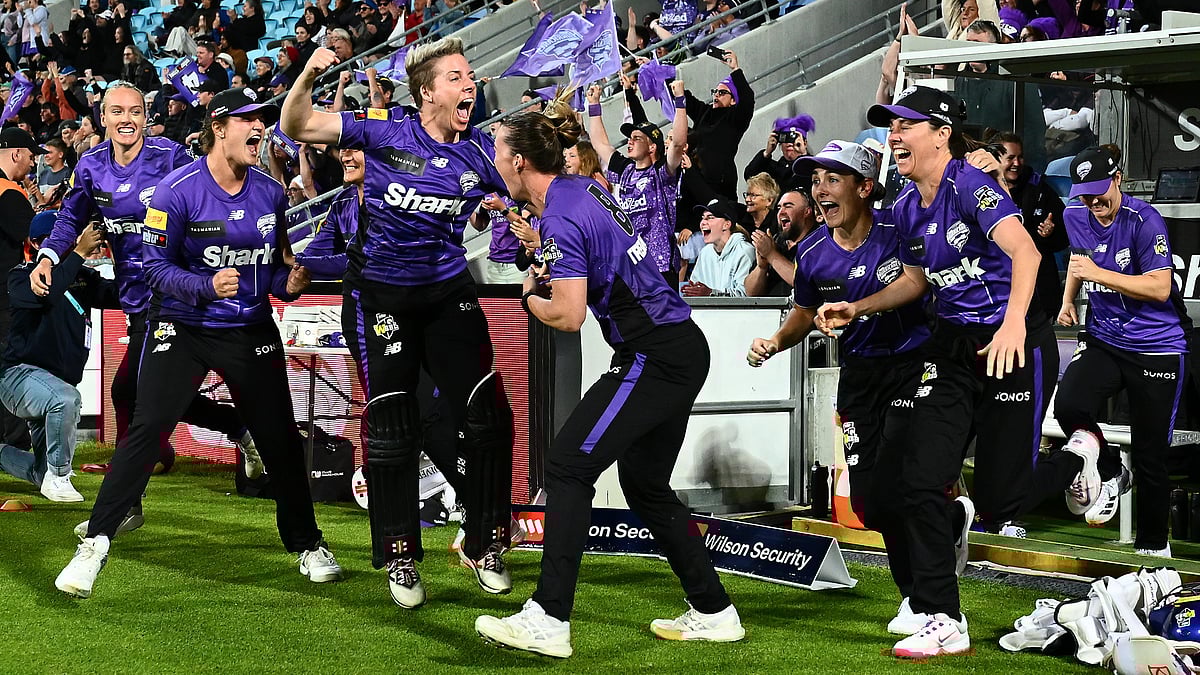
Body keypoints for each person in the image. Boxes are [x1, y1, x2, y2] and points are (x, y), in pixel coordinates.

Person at [475, 100, 744, 660]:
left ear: (521, 161)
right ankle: (715, 611)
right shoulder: (581, 189)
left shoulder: (560, 214)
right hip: (675, 346)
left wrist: (530, 295)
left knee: (569, 465)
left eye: (498, 150)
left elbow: (569, 316)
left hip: (653, 353)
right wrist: (543, 250)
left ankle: (549, 617)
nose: (492, 159)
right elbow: (600, 248)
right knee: (644, 486)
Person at [55, 87, 343, 599]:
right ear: (218, 126)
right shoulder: (174, 192)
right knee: (146, 426)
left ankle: (307, 543)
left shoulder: (271, 193)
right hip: (181, 327)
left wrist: (289, 284)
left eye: (262, 121)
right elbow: (155, 268)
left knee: (278, 438)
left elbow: (273, 269)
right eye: (246, 121)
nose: (258, 130)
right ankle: (95, 544)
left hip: (249, 330)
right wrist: (204, 286)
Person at [281, 39, 517, 608]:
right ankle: (401, 556)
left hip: (447, 294)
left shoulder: (481, 153)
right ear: (427, 91)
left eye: (470, 77)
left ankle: (486, 543)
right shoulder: (385, 134)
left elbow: (530, 195)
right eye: (457, 78)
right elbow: (297, 122)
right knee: (393, 422)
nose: (470, 85)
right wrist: (309, 74)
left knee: (487, 414)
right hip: (380, 297)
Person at [817, 86, 1050, 658]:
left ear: (941, 134)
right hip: (950, 349)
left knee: (1000, 503)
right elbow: (919, 279)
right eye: (890, 126)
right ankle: (942, 614)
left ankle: (1084, 458)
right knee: (913, 479)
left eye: (906, 125)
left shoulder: (970, 186)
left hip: (1012, 343)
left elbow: (1027, 254)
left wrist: (1014, 323)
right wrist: (860, 306)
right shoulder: (906, 206)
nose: (894, 134)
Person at [31, 83, 261, 513]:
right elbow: (69, 217)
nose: (126, 119)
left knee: (135, 390)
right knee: (146, 392)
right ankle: (236, 432)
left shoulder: (171, 157)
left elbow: (208, 195)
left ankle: (124, 501)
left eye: (135, 111)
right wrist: (47, 256)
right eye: (116, 111)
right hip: (136, 298)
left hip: (176, 293)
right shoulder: (91, 166)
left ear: (145, 116)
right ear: (102, 118)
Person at [748, 140, 933, 630]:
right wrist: (775, 341)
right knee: (871, 501)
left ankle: (920, 599)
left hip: (913, 365)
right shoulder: (810, 253)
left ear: (865, 186)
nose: (820, 190)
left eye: (833, 179)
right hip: (860, 375)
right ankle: (929, 562)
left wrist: (861, 307)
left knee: (899, 478)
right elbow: (805, 313)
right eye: (815, 181)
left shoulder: (900, 229)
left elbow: (916, 283)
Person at [1053, 145, 1190, 556]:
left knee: (1151, 453)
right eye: (1085, 195)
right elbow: (1080, 258)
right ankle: (1111, 470)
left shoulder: (1144, 221)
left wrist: (1100, 275)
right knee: (1069, 406)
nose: (1093, 203)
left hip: (1157, 346)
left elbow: (1160, 287)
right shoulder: (1074, 213)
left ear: (1119, 178)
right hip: (1105, 337)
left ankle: (1153, 549)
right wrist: (1067, 299)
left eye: (1100, 192)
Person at [0, 214, 116, 501]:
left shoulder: (83, 277)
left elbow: (119, 295)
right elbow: (49, 294)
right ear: (37, 244)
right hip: (19, 376)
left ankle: (45, 472)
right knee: (65, 400)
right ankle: (60, 476)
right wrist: (77, 253)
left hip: (57, 381)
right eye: (56, 241)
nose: (65, 245)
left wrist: (122, 250)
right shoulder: (21, 275)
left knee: (41, 471)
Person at [586, 80, 688, 287]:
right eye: (629, 138)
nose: (629, 142)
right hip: (630, 265)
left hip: (660, 267)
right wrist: (594, 106)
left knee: (663, 320)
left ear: (652, 147)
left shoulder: (662, 173)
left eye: (636, 138)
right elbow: (599, 143)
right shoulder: (625, 170)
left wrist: (680, 101)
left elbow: (677, 143)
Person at [994, 131, 1067, 320]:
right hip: (996, 289)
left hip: (1039, 290)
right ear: (995, 159)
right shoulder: (980, 189)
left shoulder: (1038, 189)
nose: (1016, 164)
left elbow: (1063, 238)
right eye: (1010, 158)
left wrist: (1050, 233)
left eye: (1020, 157)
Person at [0, 127, 40, 451]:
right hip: (5, 297)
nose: (31, 163)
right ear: (16, 154)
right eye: (29, 156)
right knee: (11, 368)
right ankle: (15, 444)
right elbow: (32, 237)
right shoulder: (8, 191)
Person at [681, 49, 754, 200]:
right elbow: (685, 98)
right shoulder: (705, 112)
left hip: (720, 184)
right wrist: (660, 73)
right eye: (715, 92)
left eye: (722, 93)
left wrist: (735, 69)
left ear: (733, 100)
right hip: (697, 179)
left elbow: (747, 99)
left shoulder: (735, 118)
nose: (716, 95)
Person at [295, 148, 362, 281]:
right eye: (343, 148)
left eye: (355, 149)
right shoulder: (342, 200)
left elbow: (363, 260)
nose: (345, 157)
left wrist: (295, 261)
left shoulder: (398, 203)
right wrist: (295, 265)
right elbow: (317, 249)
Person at [744, 187, 818, 297]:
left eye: (788, 206)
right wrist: (761, 267)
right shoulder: (774, 242)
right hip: (770, 312)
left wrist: (771, 254)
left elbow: (805, 283)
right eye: (779, 208)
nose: (781, 212)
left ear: (807, 211)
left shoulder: (820, 242)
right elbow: (750, 293)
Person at [682, 196, 755, 297]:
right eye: (702, 218)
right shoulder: (705, 253)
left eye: (710, 218)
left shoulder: (745, 251)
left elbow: (745, 296)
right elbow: (696, 286)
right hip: (707, 312)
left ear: (727, 224)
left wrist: (712, 293)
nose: (703, 222)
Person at [743, 114, 814, 193]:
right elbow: (749, 176)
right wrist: (767, 153)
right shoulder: (774, 168)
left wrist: (803, 155)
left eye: (793, 139)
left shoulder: (813, 166)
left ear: (804, 143)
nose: (789, 143)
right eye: (785, 139)